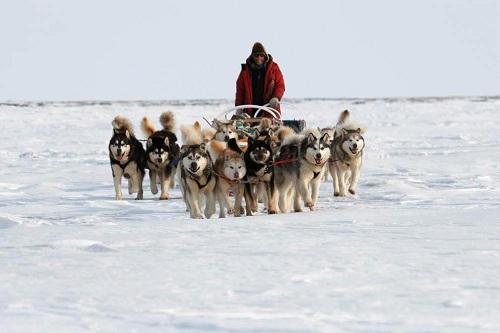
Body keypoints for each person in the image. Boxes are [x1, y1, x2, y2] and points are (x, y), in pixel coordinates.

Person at [235, 42, 285, 118]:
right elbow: (240, 91)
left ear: (265, 56)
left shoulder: (273, 68)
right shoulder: (245, 71)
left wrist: (276, 97)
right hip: (250, 113)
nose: (259, 58)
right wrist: (239, 107)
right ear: (252, 57)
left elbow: (280, 85)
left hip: (269, 111)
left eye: (261, 55)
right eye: (256, 56)